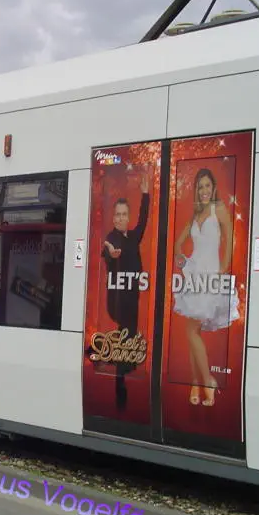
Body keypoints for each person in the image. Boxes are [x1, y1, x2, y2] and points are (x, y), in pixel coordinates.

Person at [172, 168, 239, 407]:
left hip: (210, 277)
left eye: (207, 186)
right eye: (200, 186)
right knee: (193, 331)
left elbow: (230, 240)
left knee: (192, 331)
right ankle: (197, 382)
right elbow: (178, 244)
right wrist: (182, 259)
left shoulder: (218, 209)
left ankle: (206, 380)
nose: (203, 190)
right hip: (194, 276)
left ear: (214, 188)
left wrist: (223, 268)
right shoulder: (196, 213)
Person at [101, 167, 151, 411]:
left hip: (131, 298)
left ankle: (123, 374)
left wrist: (145, 194)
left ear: (127, 217)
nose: (121, 218)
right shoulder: (112, 237)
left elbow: (143, 221)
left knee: (130, 333)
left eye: (124, 214)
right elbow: (107, 250)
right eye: (117, 215)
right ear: (113, 218)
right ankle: (120, 386)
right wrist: (111, 254)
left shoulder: (133, 237)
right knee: (126, 334)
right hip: (117, 301)